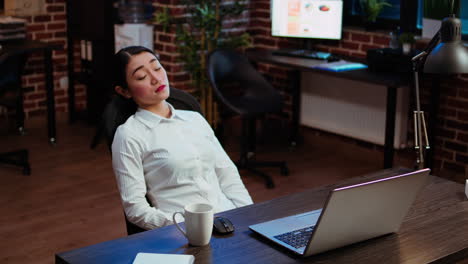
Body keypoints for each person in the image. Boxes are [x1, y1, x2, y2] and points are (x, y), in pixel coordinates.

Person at [111, 46, 253, 230]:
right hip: (184, 232)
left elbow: (227, 174)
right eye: (141, 77)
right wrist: (188, 226)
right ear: (125, 91)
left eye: (156, 68)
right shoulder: (129, 135)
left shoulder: (194, 119)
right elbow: (135, 209)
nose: (156, 78)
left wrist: (248, 216)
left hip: (230, 222)